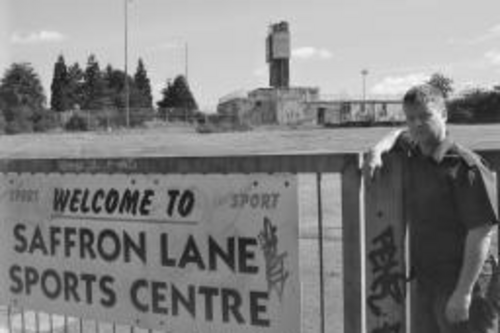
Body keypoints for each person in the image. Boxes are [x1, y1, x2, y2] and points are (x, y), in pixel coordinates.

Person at [365, 83, 500, 333]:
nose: (416, 124)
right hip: (427, 283)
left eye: (426, 116)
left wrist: (464, 293)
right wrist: (378, 149)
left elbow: (481, 233)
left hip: (464, 282)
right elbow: (398, 133)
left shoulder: (466, 167)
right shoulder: (416, 152)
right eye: (411, 118)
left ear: (444, 115)